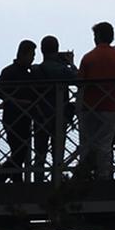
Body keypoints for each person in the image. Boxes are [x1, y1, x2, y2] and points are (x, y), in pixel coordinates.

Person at [77, 21, 115, 185]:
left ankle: (84, 176)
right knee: (105, 144)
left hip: (89, 107)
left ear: (98, 36)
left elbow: (80, 83)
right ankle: (104, 177)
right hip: (110, 107)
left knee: (86, 143)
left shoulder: (88, 57)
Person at [0, 38, 34, 182]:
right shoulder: (11, 72)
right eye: (31, 55)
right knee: (20, 151)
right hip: (14, 117)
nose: (33, 58)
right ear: (23, 54)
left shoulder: (18, 72)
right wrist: (17, 102)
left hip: (20, 117)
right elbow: (0, 92)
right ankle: (3, 178)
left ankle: (15, 180)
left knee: (19, 150)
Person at [33, 34, 76, 179]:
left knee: (39, 152)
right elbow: (79, 80)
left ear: (41, 50)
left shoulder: (35, 70)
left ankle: (37, 182)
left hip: (40, 114)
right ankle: (56, 180)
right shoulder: (63, 70)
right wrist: (70, 63)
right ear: (57, 50)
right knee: (58, 153)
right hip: (60, 114)